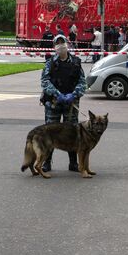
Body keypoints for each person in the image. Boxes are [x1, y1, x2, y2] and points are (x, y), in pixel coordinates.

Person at [40, 34, 87, 172]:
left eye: (63, 42)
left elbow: (82, 82)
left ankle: (73, 163)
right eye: (58, 43)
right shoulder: (50, 63)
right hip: (54, 103)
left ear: (67, 44)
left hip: (70, 104)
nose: (61, 45)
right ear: (54, 47)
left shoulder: (76, 63)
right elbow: (45, 81)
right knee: (50, 132)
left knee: (72, 132)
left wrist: (74, 94)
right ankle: (46, 162)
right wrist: (57, 94)